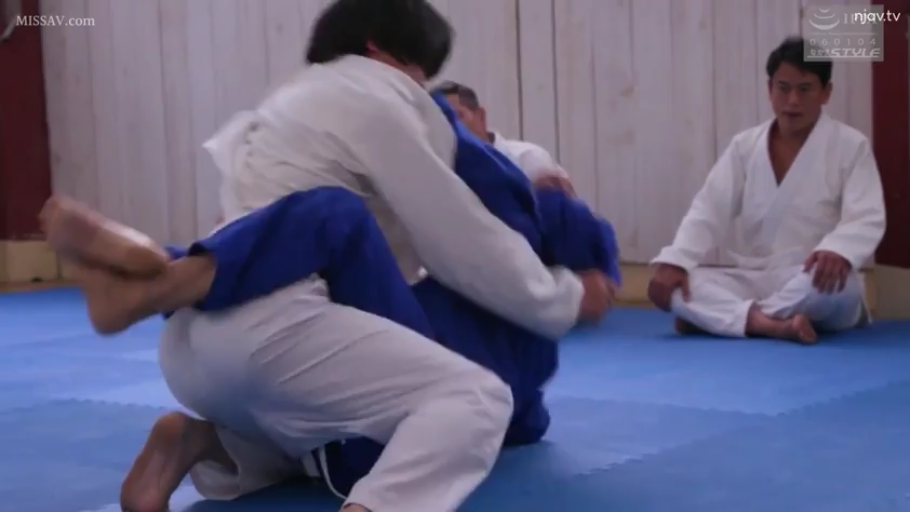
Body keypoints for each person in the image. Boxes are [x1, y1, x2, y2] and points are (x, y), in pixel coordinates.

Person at [44, 2, 615, 512]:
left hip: (190, 347)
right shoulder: (382, 94)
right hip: (284, 336)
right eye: (420, 72)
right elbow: (463, 244)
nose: (425, 89)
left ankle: (205, 439)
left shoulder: (282, 105)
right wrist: (564, 299)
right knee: (476, 398)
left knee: (318, 422)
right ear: (381, 50)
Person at [647, 36, 885, 345]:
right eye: (783, 88)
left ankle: (725, 319)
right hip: (755, 278)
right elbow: (708, 209)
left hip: (811, 279)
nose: (793, 100)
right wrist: (677, 259)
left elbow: (866, 215)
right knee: (680, 287)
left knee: (840, 288)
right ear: (769, 88)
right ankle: (772, 325)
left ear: (826, 92)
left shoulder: (851, 146)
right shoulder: (744, 146)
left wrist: (840, 250)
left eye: (805, 89)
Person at [433, 80, 575, 195]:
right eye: (441, 120)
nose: (450, 126)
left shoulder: (528, 159)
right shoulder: (442, 172)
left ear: (480, 116)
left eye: (457, 116)